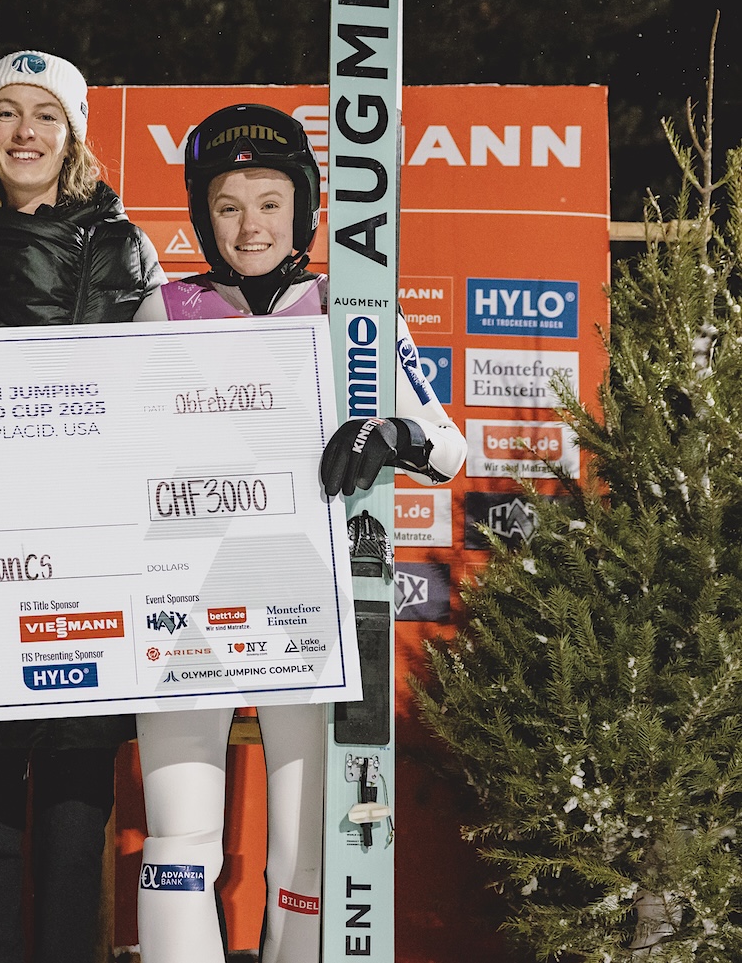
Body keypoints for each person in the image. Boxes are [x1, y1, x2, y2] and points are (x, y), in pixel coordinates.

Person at [130, 103, 468, 963]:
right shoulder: (164, 308)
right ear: (202, 214)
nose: (250, 225)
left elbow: (447, 446)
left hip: (303, 605)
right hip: (187, 606)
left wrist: (390, 433)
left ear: (305, 209)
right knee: (177, 844)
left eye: (270, 202)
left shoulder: (352, 307)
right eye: (228, 205)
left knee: (304, 852)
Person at [0, 49, 164, 963]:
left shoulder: (125, 246)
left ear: (74, 135)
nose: (26, 132)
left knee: (73, 817)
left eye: (46, 114)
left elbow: (160, 392)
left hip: (88, 563)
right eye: (7, 113)